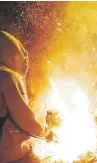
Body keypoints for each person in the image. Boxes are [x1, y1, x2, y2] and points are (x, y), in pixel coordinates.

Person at [0, 31, 55, 163]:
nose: (26, 60)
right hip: (11, 154)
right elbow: (25, 119)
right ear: (12, 56)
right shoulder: (8, 77)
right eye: (21, 54)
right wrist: (45, 132)